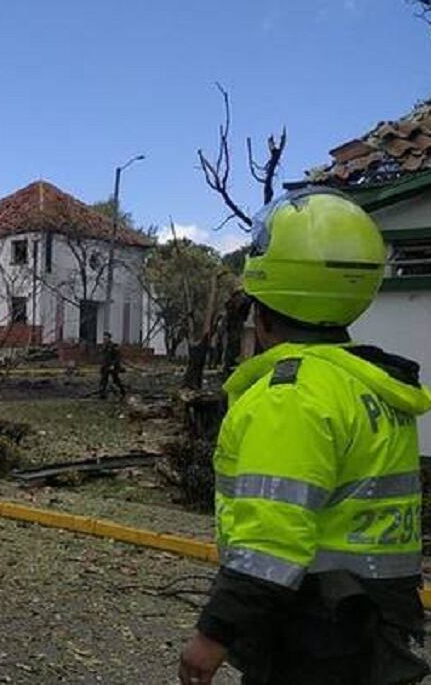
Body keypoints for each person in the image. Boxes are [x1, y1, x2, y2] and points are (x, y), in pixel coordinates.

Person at [178, 188, 431, 685]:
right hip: (375, 626)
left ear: (261, 311)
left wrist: (213, 635)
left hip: (313, 633)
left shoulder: (289, 397)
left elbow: (272, 539)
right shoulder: (370, 385)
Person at [97, 331, 126, 399]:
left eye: (106, 338)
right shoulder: (104, 347)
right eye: (104, 339)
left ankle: (122, 391)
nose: (105, 340)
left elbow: (117, 357)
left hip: (113, 366)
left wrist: (113, 365)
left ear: (109, 338)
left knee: (115, 380)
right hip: (105, 366)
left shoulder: (113, 346)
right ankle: (102, 394)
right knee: (103, 380)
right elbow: (103, 357)